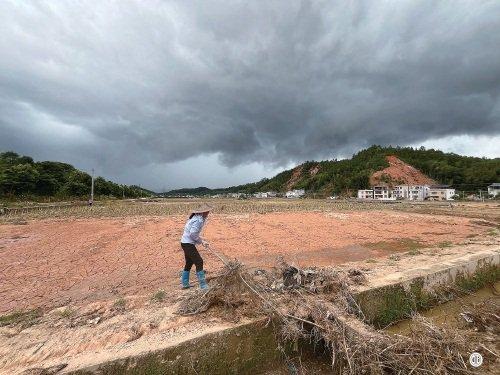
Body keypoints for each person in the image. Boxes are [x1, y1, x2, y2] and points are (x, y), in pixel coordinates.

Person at [180, 203, 212, 289]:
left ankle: (185, 283)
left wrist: (202, 240)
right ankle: (203, 285)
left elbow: (192, 233)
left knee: (189, 262)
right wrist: (202, 241)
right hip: (188, 244)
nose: (208, 213)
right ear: (203, 212)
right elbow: (192, 234)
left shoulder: (195, 218)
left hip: (185, 242)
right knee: (199, 261)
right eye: (207, 211)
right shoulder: (198, 220)